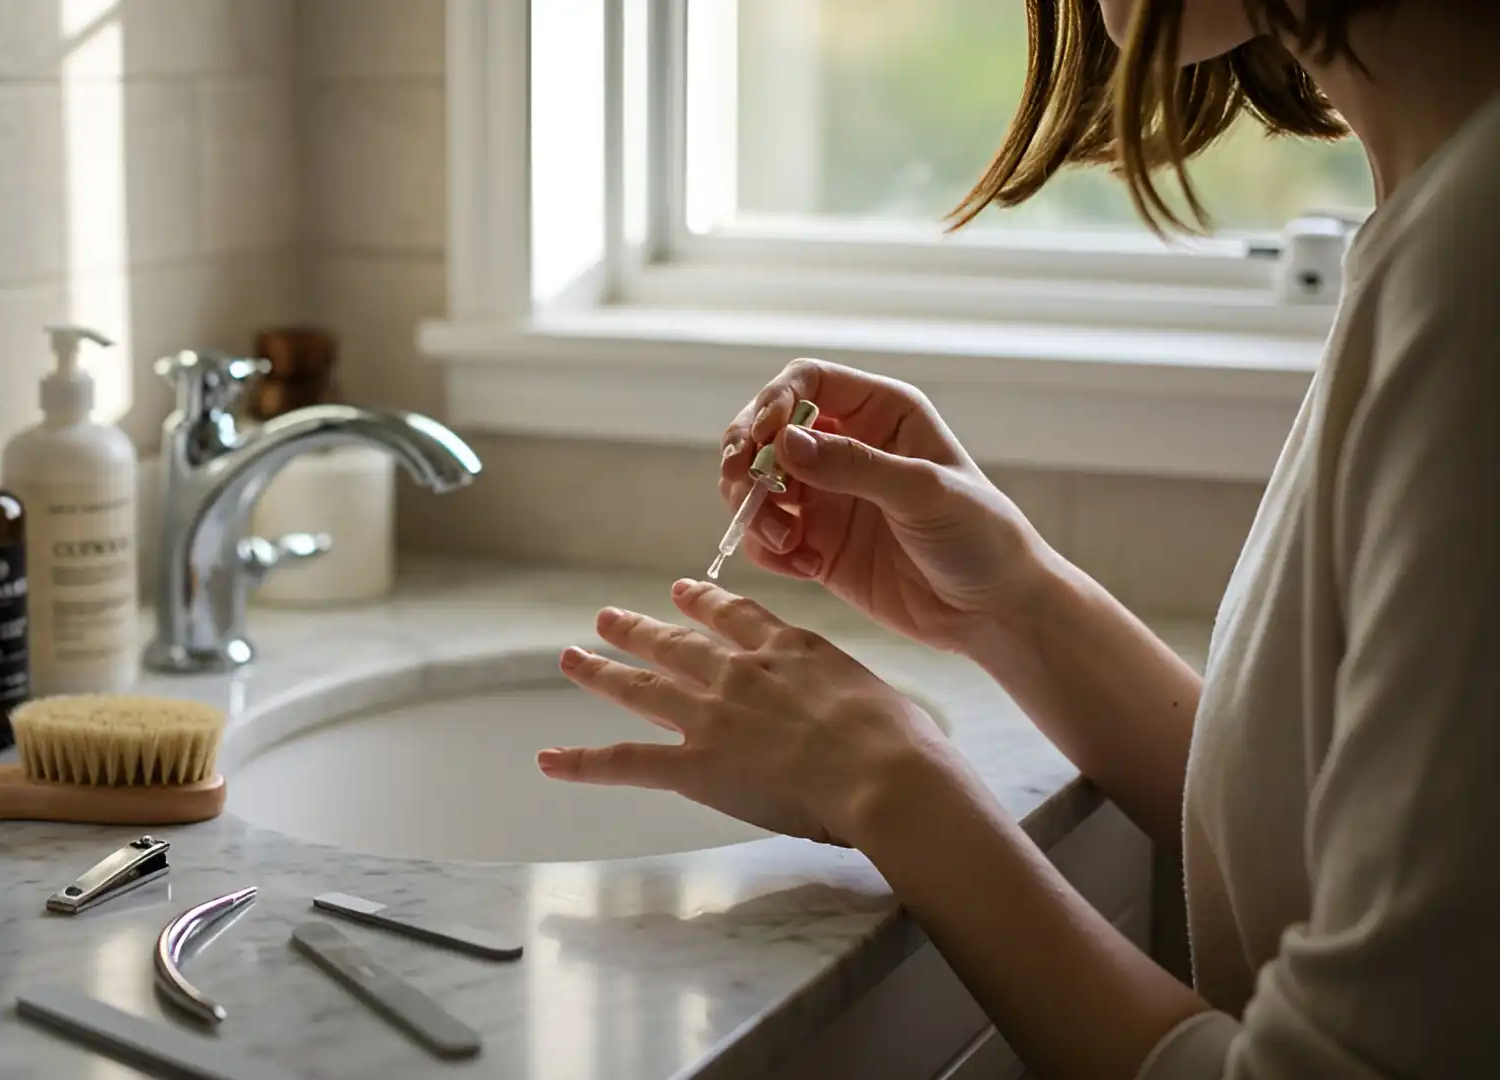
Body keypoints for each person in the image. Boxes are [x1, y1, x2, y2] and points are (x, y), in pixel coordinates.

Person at [538, 1, 1500, 1077]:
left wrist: (891, 786)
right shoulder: (1440, 215)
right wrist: (1014, 606)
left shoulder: (1476, 268)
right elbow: (1345, 835)